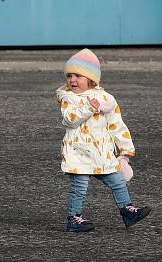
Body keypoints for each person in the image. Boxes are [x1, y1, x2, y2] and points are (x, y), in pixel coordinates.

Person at [55, 49, 150, 232]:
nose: (72, 80)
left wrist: (125, 149)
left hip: (102, 152)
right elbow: (69, 119)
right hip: (79, 152)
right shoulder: (68, 98)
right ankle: (73, 219)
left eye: (78, 75)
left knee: (118, 181)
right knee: (79, 188)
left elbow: (116, 124)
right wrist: (89, 108)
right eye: (69, 76)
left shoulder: (106, 99)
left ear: (91, 79)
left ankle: (127, 210)